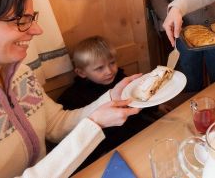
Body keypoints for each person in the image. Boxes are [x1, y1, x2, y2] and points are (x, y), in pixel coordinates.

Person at [0, 0, 141, 177]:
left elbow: (56, 124)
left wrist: (111, 97)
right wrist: (93, 126)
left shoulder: (22, 73)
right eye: (21, 20)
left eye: (32, 18)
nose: (37, 30)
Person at [57, 36, 157, 170]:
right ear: (81, 72)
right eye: (99, 68)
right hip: (107, 145)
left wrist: (157, 105)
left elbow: (137, 100)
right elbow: (77, 137)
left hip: (134, 129)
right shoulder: (72, 98)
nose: (109, 71)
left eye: (112, 63)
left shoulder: (120, 78)